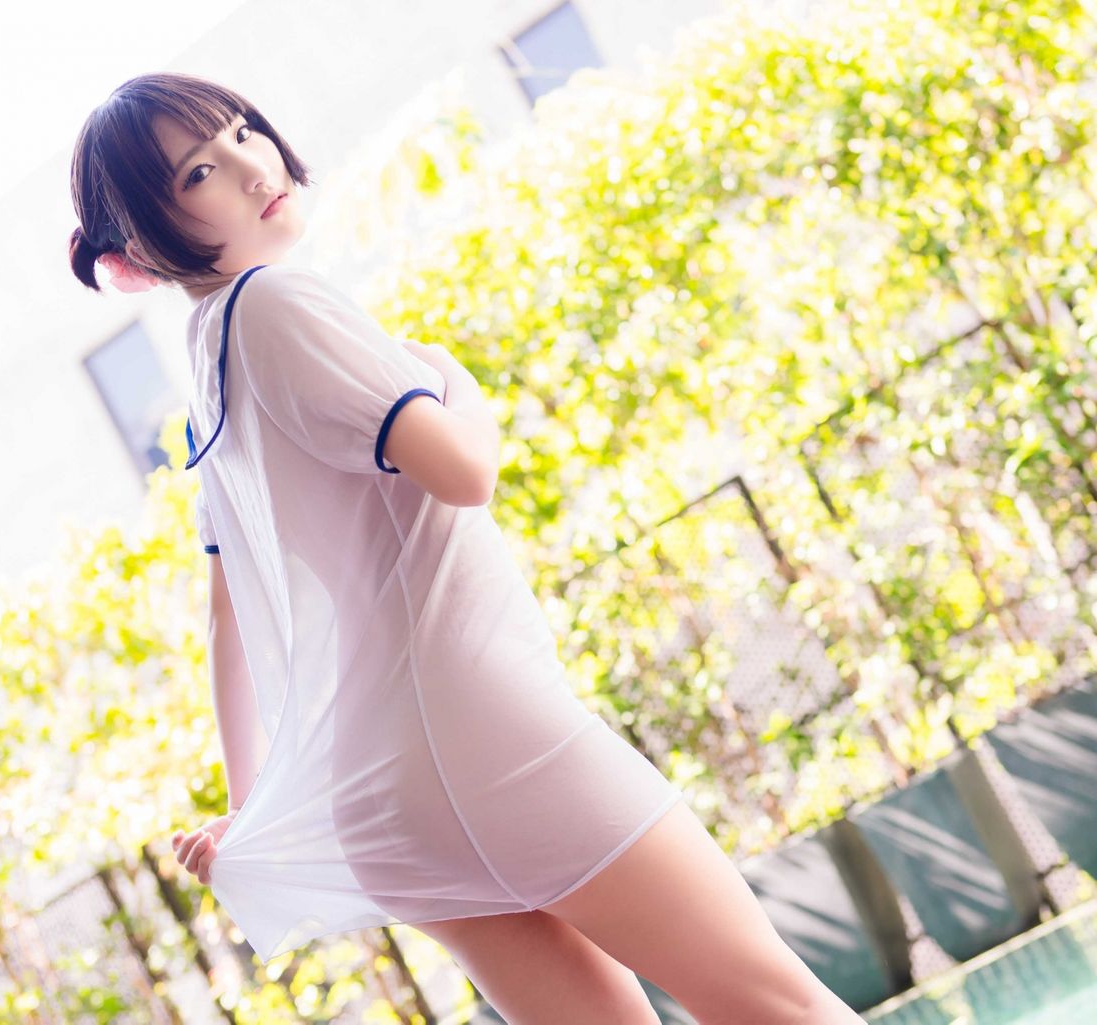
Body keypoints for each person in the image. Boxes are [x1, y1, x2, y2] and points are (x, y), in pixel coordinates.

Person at [67, 71, 866, 1025]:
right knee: (778, 1004)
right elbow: (463, 470)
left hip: (385, 798)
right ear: (144, 244)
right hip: (490, 739)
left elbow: (226, 615)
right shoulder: (276, 303)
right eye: (199, 171)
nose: (250, 167)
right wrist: (457, 383)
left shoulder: (210, 370)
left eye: (242, 131)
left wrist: (251, 805)